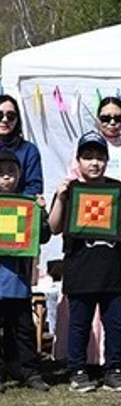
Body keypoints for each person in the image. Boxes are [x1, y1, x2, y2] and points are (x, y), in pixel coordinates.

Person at [48, 131, 121, 392]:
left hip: (114, 270)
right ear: (78, 161)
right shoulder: (70, 190)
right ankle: (77, 370)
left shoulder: (118, 190)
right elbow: (54, 227)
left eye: (100, 157)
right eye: (88, 157)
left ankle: (114, 370)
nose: (94, 163)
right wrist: (59, 197)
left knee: (116, 323)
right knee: (79, 323)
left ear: (107, 160)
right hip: (80, 270)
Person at [0, 147, 49, 391]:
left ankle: (29, 371)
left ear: (20, 174)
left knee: (23, 329)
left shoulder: (26, 206)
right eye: (1, 173)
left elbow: (45, 236)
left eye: (11, 171)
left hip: (18, 283)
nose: (6, 177)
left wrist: (41, 213)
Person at [0, 94, 44, 197]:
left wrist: (11, 203)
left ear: (17, 119)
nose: (5, 120)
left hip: (18, 209)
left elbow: (35, 187)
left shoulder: (29, 150)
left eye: (10, 116)